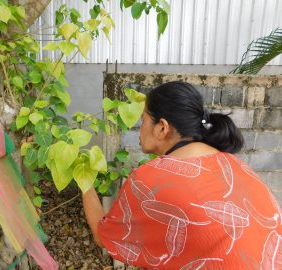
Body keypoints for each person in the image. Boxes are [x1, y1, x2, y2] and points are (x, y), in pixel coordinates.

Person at [82, 81, 282, 269]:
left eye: (143, 120)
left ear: (162, 127)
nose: (139, 129)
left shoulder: (151, 178)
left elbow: (104, 236)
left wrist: (84, 181)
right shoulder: (235, 163)